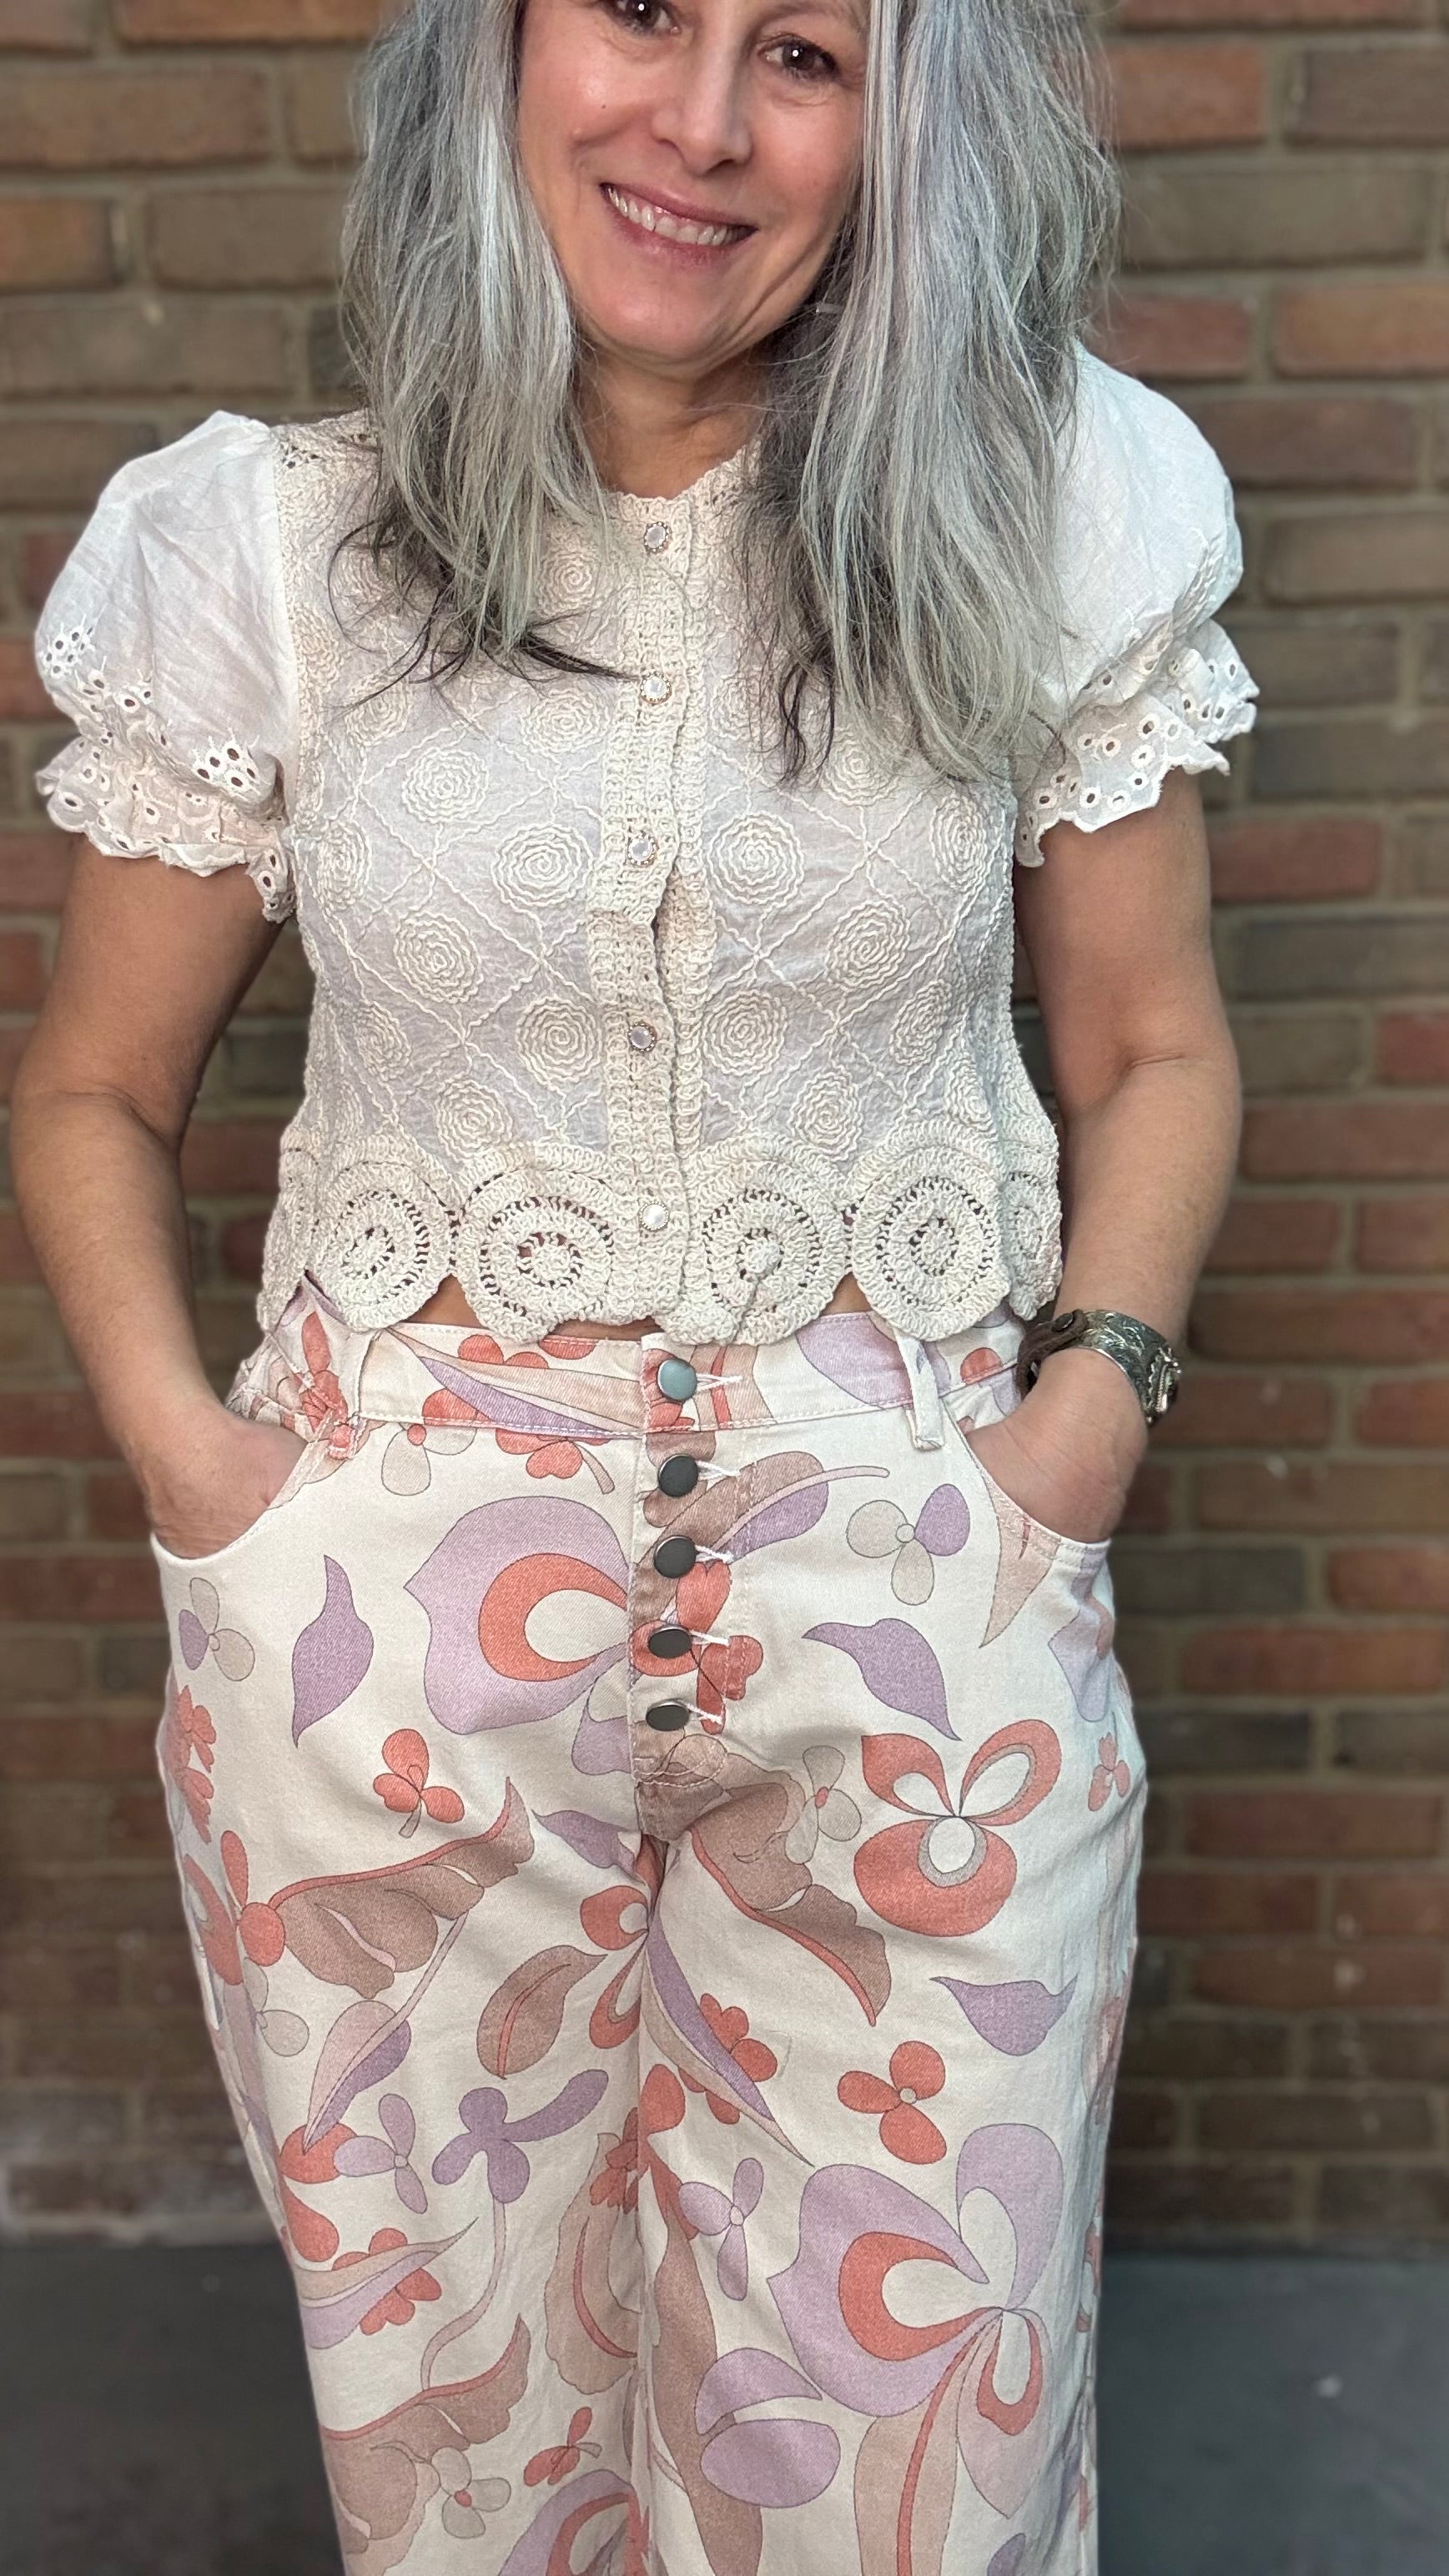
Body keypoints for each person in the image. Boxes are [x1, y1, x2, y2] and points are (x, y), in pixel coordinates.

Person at [13, 0, 1255, 2565]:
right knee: (465, 2452)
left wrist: (1078, 1424)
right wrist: (211, 1492)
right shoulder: (260, 548)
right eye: (644, 16)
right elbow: (94, 1093)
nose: (697, 125)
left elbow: (1146, 1043)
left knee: (927, 2453)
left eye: (803, 52)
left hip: (924, 1634)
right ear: (493, 52)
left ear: (904, 126)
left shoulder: (1056, 507)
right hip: (383, 1671)